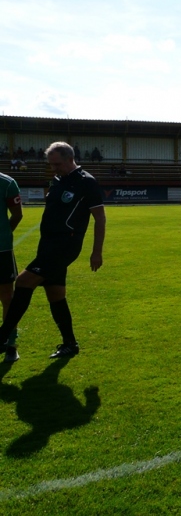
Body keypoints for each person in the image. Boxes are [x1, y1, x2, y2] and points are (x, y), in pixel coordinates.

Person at [0, 142, 106, 359]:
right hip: (47, 244)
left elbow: (100, 219)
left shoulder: (86, 182)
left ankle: (2, 337)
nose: (53, 168)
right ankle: (70, 344)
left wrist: (97, 252)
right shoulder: (57, 181)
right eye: (51, 164)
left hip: (65, 245)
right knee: (55, 294)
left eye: (57, 164)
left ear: (69, 158)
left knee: (22, 282)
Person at [1, 171, 23, 362]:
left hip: (1, 250)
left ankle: (10, 343)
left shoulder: (7, 183)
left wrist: (4, 235)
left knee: (7, 297)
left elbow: (17, 215)